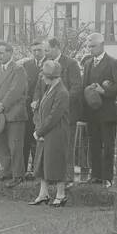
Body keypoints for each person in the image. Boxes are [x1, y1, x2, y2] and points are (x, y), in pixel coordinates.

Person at [34, 38, 83, 188]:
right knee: (48, 148)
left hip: (66, 114)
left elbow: (76, 87)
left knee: (65, 148)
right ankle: (49, 178)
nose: (45, 53)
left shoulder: (71, 64)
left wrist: (61, 103)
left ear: (56, 48)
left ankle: (67, 178)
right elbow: (39, 87)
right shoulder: (46, 66)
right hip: (48, 114)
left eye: (47, 49)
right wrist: (36, 100)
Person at [80, 33, 117, 186]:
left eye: (93, 46)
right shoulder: (87, 63)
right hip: (92, 112)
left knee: (107, 146)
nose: (90, 49)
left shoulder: (112, 63)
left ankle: (107, 177)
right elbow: (83, 86)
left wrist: (105, 91)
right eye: (89, 46)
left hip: (107, 113)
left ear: (101, 45)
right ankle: (95, 175)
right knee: (93, 144)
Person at [0, 40, 29, 186]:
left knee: (15, 145)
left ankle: (18, 175)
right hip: (0, 116)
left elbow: (15, 91)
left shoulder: (18, 70)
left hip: (15, 115)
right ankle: (6, 172)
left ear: (10, 53)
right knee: (1, 145)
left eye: (2, 53)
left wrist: (2, 105)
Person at [29, 59, 71, 208]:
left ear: (51, 76)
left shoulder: (62, 92)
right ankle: (43, 194)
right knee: (42, 162)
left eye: (44, 75)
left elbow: (54, 116)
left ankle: (61, 195)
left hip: (57, 133)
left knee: (56, 162)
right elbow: (44, 111)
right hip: (47, 132)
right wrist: (40, 130)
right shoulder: (50, 88)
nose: (41, 77)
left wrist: (39, 131)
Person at [21, 39, 47, 176]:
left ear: (44, 51)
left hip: (43, 109)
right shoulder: (26, 65)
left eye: (39, 50)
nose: (37, 53)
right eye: (34, 50)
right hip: (27, 109)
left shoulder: (50, 64)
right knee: (26, 139)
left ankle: (38, 171)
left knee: (39, 140)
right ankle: (23, 171)